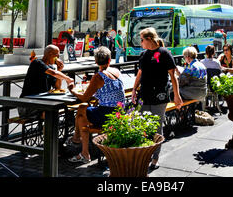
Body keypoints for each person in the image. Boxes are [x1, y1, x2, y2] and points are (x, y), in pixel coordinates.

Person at [132, 27, 183, 170]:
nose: (140, 42)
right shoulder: (144, 54)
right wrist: (134, 90)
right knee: (143, 125)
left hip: (160, 95)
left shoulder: (165, 53)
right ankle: (146, 153)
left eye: (142, 40)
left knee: (156, 126)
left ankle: (155, 157)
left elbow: (173, 76)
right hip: (144, 95)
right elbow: (140, 73)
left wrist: (177, 96)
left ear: (149, 39)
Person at [67, 46, 125, 163]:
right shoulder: (116, 72)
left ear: (96, 61)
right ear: (109, 60)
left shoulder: (98, 76)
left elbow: (84, 97)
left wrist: (72, 90)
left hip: (107, 114)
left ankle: (80, 146)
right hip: (119, 112)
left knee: (81, 113)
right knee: (82, 111)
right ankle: (80, 145)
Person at [18, 45, 74, 118]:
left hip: (41, 102)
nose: (58, 58)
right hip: (27, 104)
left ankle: (50, 128)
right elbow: (54, 73)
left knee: (57, 109)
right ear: (50, 54)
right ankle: (47, 129)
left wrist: (59, 70)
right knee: (50, 113)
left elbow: (57, 87)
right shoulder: (37, 63)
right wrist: (68, 79)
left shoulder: (50, 67)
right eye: (56, 56)